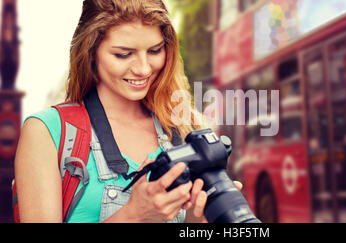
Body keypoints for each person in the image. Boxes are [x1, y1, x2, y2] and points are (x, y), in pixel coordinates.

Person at [14, 0, 241, 223]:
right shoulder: (46, 131)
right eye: (123, 54)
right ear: (91, 52)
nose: (143, 68)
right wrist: (135, 214)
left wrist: (196, 219)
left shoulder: (184, 128)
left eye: (154, 50)